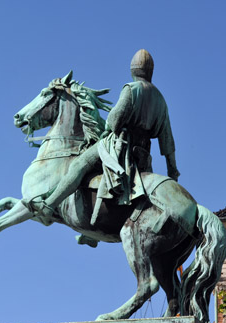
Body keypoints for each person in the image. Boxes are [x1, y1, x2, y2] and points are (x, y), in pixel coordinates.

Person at [36, 49, 180, 225]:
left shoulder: (131, 89)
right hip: (143, 159)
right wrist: (172, 172)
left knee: (79, 164)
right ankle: (89, 233)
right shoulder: (160, 100)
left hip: (121, 147)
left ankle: (49, 205)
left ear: (133, 69)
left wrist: (104, 132)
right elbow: (167, 141)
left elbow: (114, 119)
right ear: (151, 71)